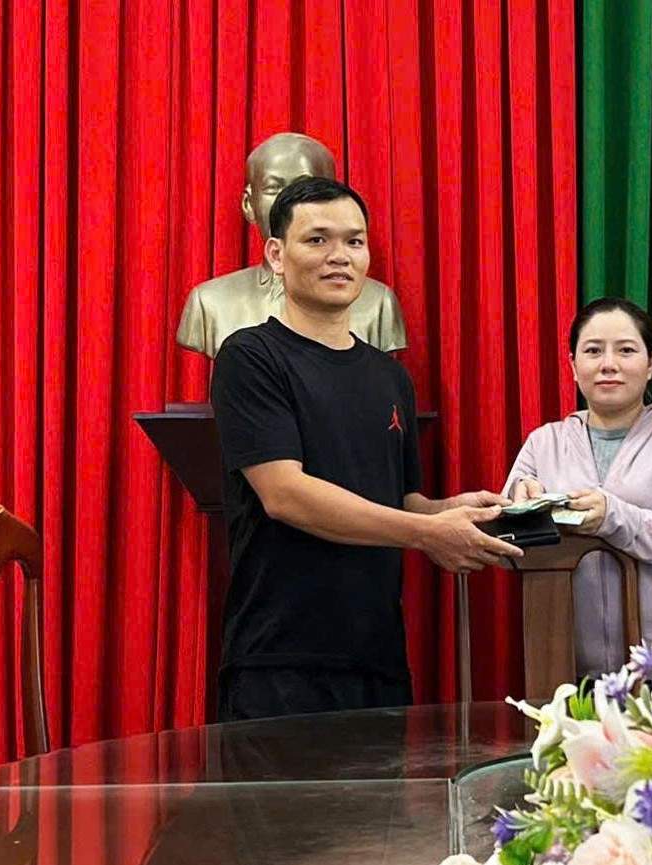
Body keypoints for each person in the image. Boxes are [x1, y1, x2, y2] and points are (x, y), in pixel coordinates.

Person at [210, 176, 521, 721]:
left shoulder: (389, 377)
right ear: (276, 255)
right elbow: (285, 494)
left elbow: (402, 501)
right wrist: (427, 533)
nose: (340, 257)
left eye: (354, 241)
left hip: (377, 656)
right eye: (318, 240)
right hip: (281, 658)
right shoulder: (250, 356)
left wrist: (453, 511)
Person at [502, 297, 652, 675]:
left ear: (651, 364)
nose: (608, 364)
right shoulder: (544, 444)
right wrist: (522, 514)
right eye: (593, 351)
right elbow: (506, 552)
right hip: (567, 674)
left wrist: (615, 517)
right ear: (573, 366)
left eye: (626, 350)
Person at [177, 132, 406, 357]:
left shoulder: (379, 304)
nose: (287, 201)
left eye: (305, 188)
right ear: (249, 204)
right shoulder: (209, 302)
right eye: (273, 188)